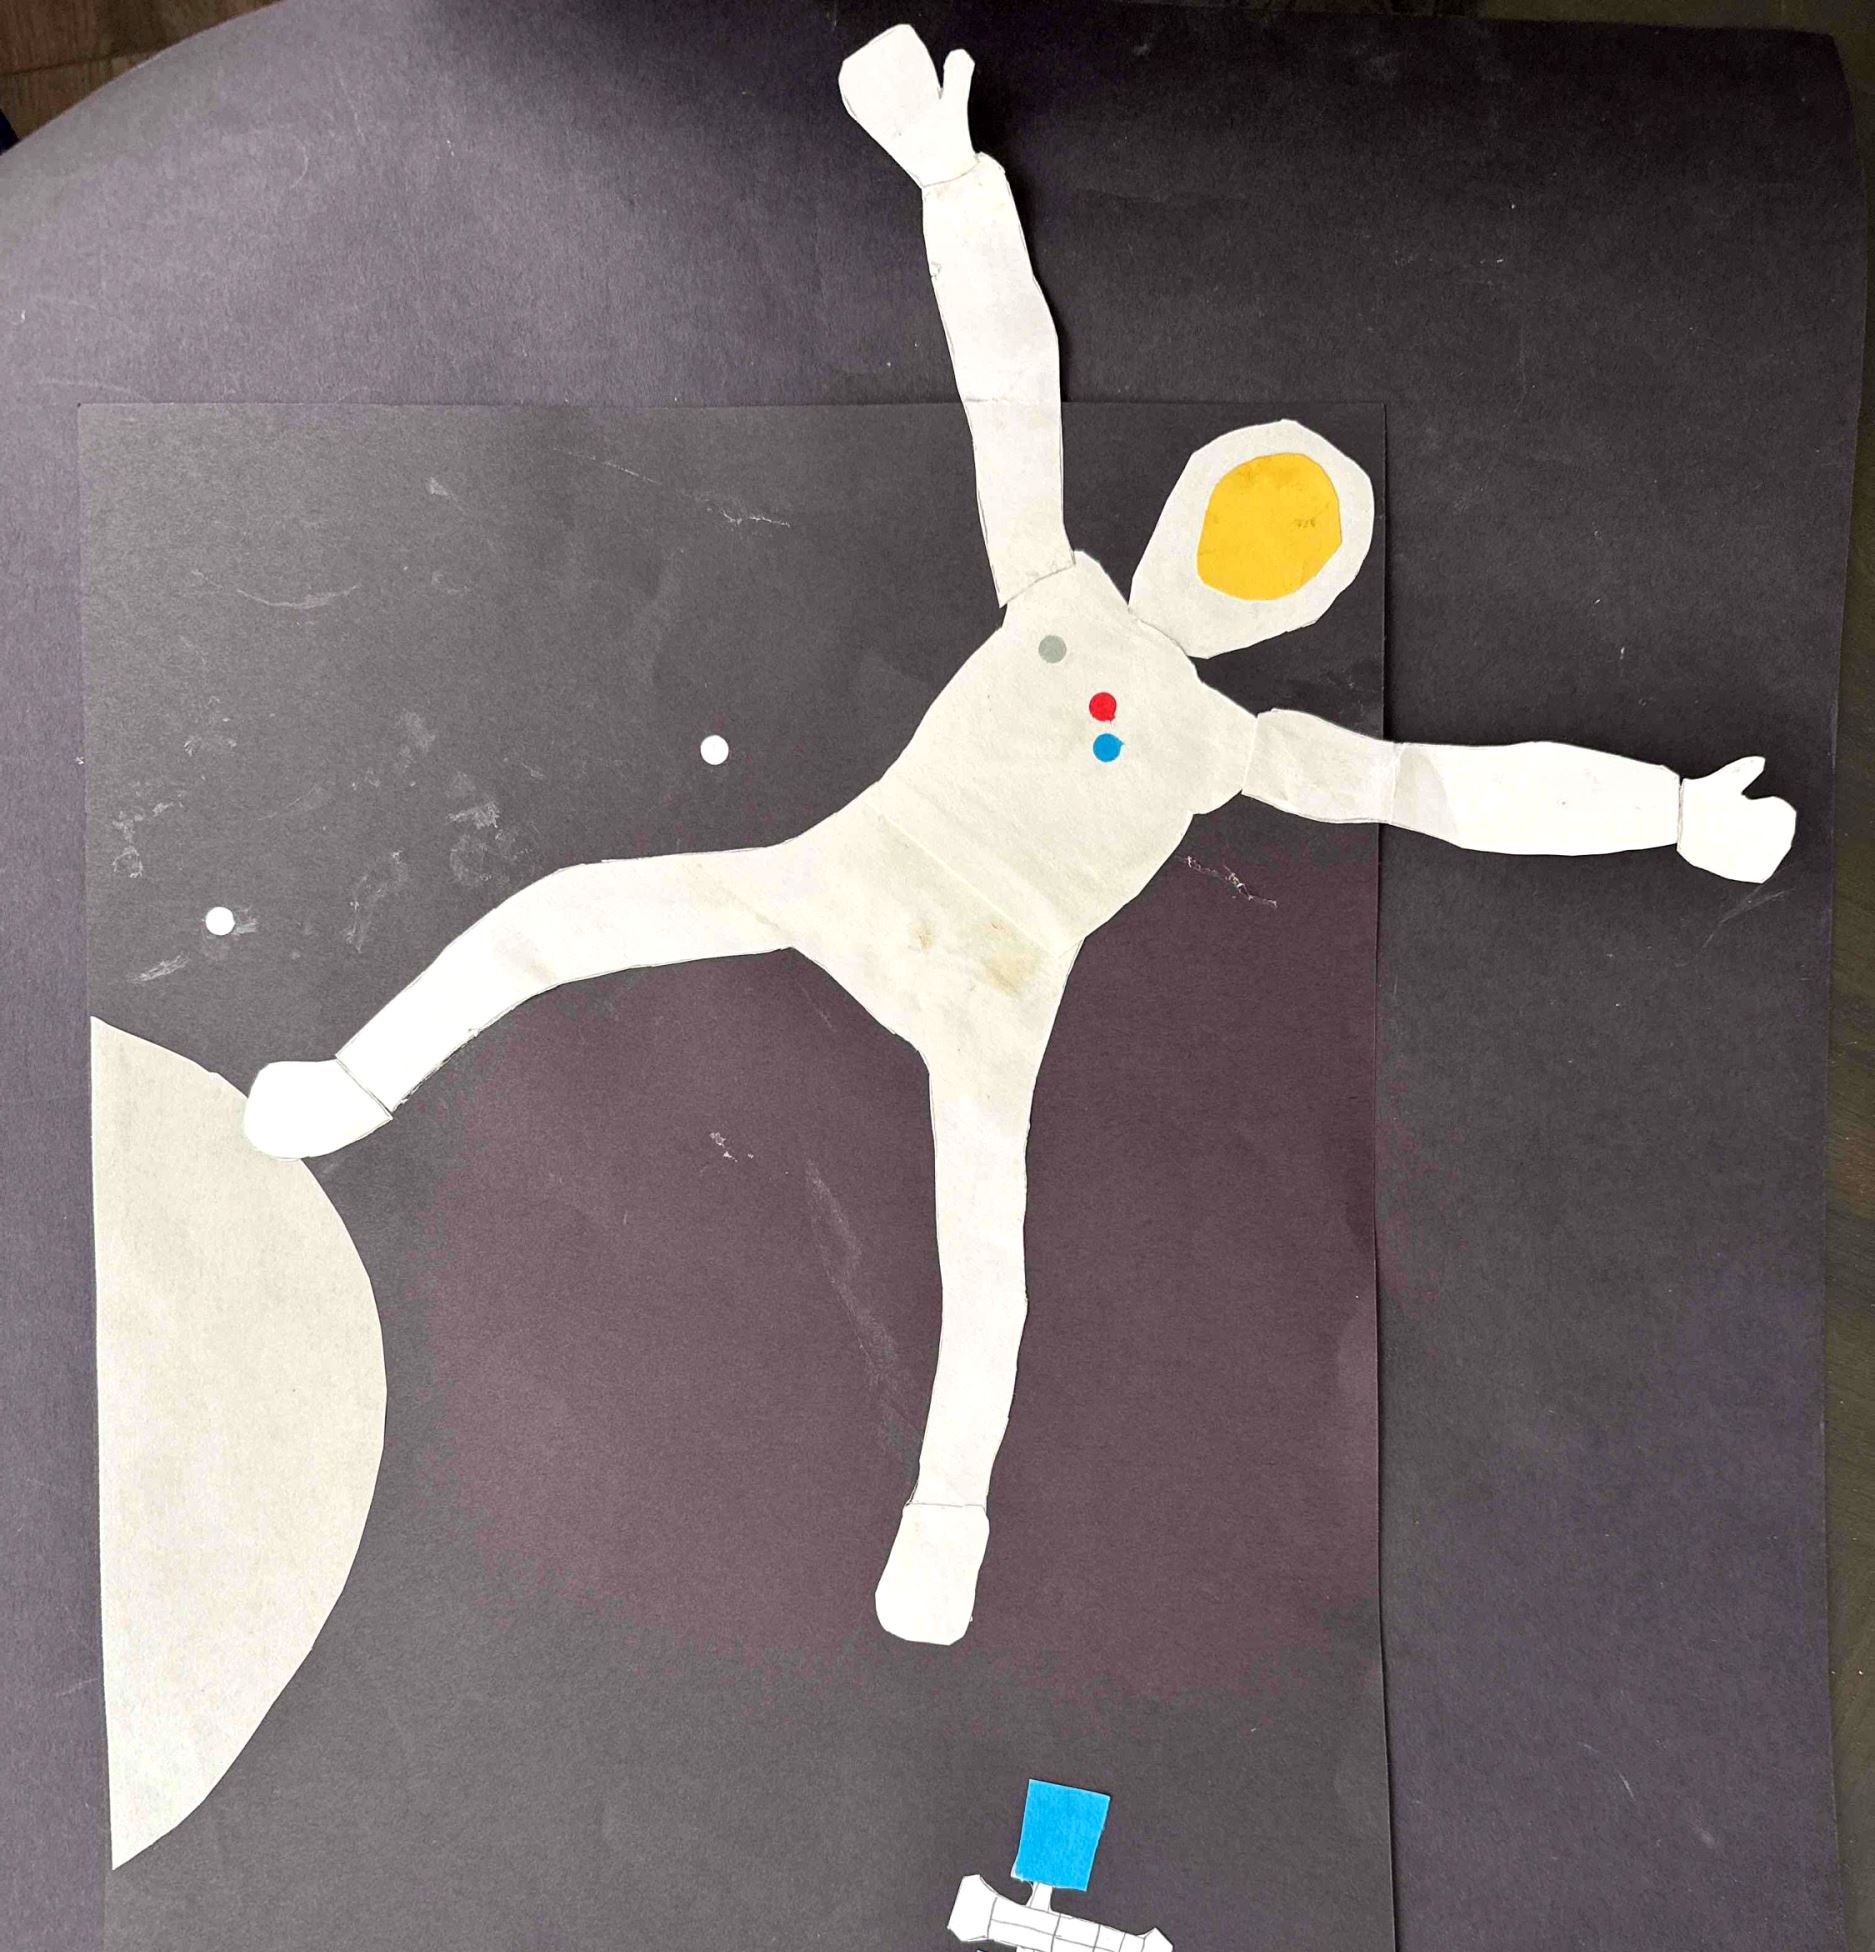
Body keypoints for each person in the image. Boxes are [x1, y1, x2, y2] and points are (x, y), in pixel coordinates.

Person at [245, 24, 1795, 1649]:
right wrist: (950, 178)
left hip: (1000, 981)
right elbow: (1010, 387)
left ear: (1297, 605)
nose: (1240, 558)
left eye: (1282, 558)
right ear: (1183, 505)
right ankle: (356, 1084)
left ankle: (944, 1526)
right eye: (1238, 519)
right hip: (854, 868)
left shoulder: (1234, 745)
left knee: (986, 1250)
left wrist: (1674, 810)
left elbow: (1443, 787)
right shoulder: (1054, 589)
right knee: (568, 910)